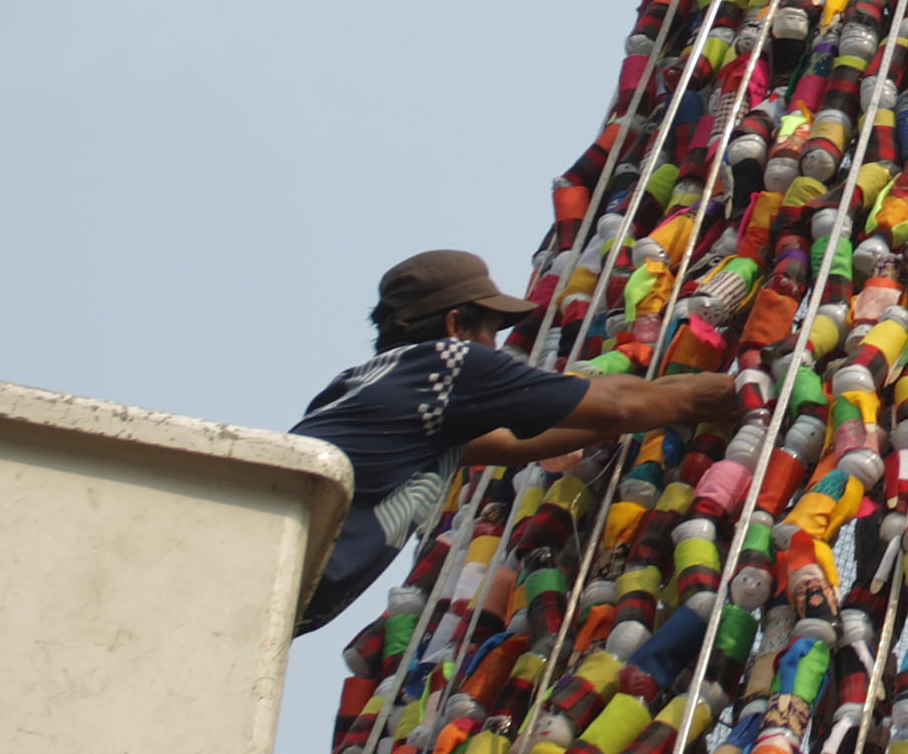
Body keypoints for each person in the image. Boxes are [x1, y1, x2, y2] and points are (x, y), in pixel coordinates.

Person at [287, 247, 744, 635]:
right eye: (490, 330)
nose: (495, 347)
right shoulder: (448, 364)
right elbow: (617, 403)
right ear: (455, 325)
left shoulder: (367, 388)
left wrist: (669, 397)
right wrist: (712, 393)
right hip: (277, 572)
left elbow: (518, 441)